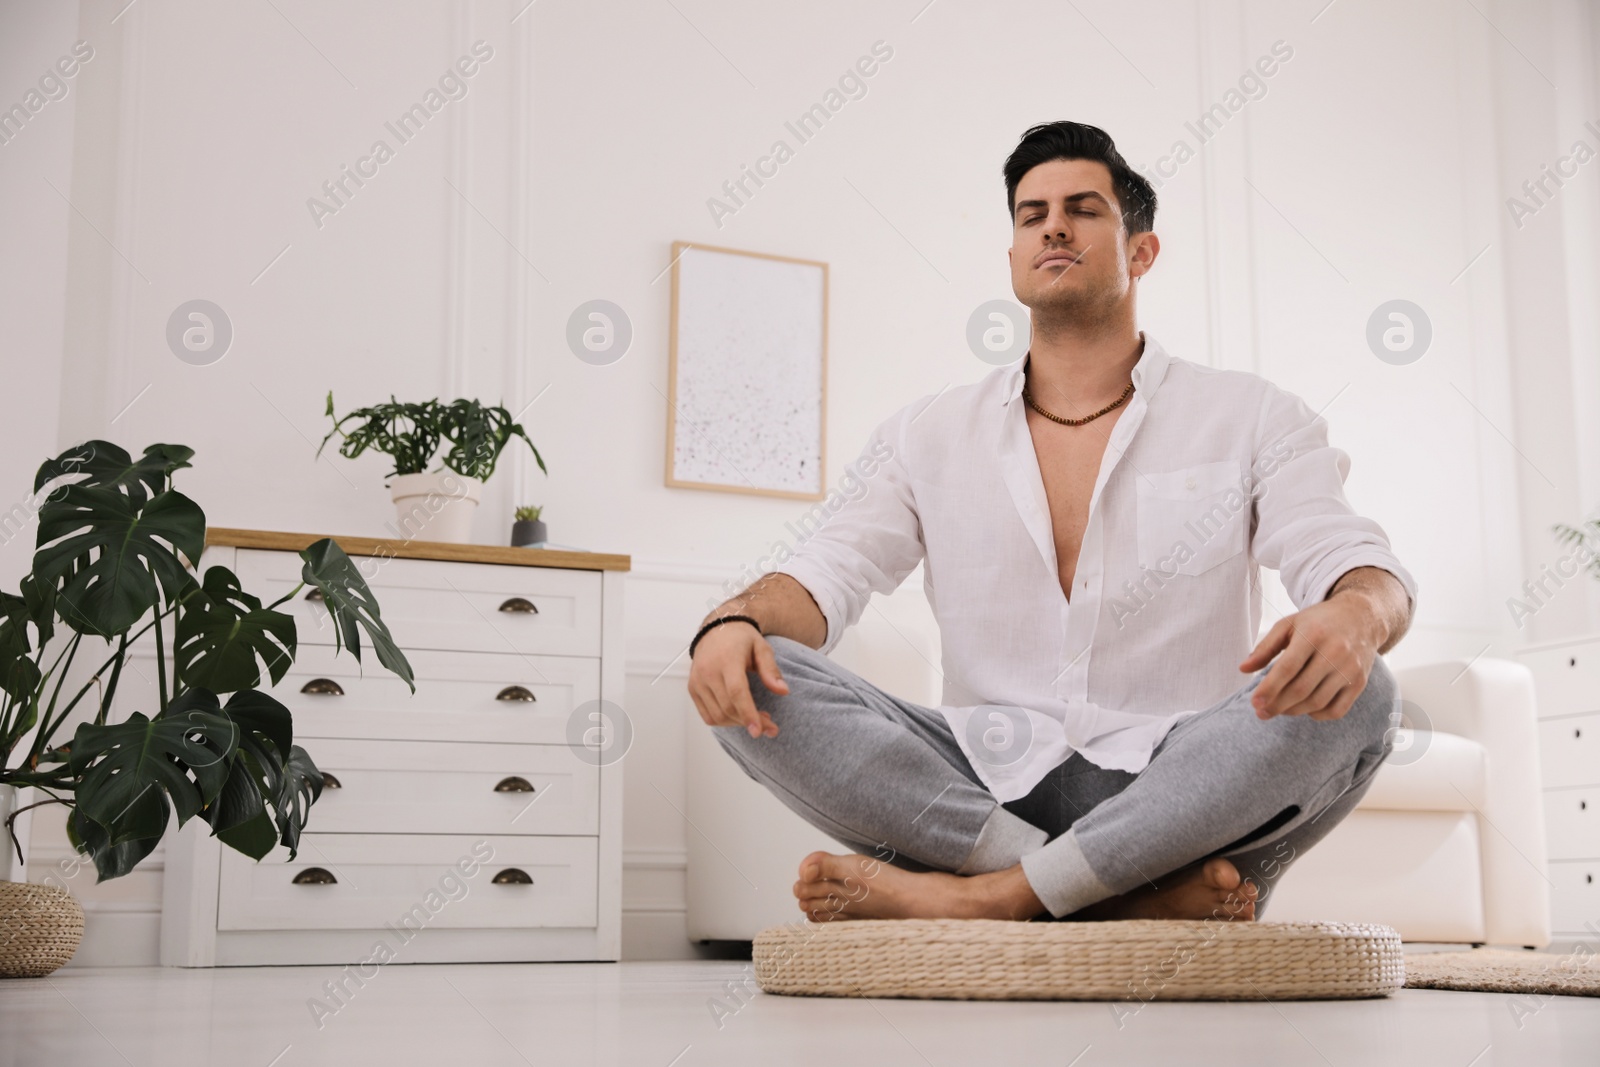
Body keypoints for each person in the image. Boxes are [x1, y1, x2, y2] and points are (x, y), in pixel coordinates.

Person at [685, 120, 1416, 925]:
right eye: (1031, 215)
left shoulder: (1252, 415)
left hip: (1178, 785)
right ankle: (1111, 893)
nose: (1053, 226)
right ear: (1013, 259)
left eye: (1083, 209)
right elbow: (826, 574)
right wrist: (734, 622)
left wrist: (1355, 613)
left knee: (1366, 691)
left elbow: (1350, 557)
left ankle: (996, 898)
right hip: (980, 784)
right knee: (741, 671)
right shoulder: (924, 433)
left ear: (1142, 251)